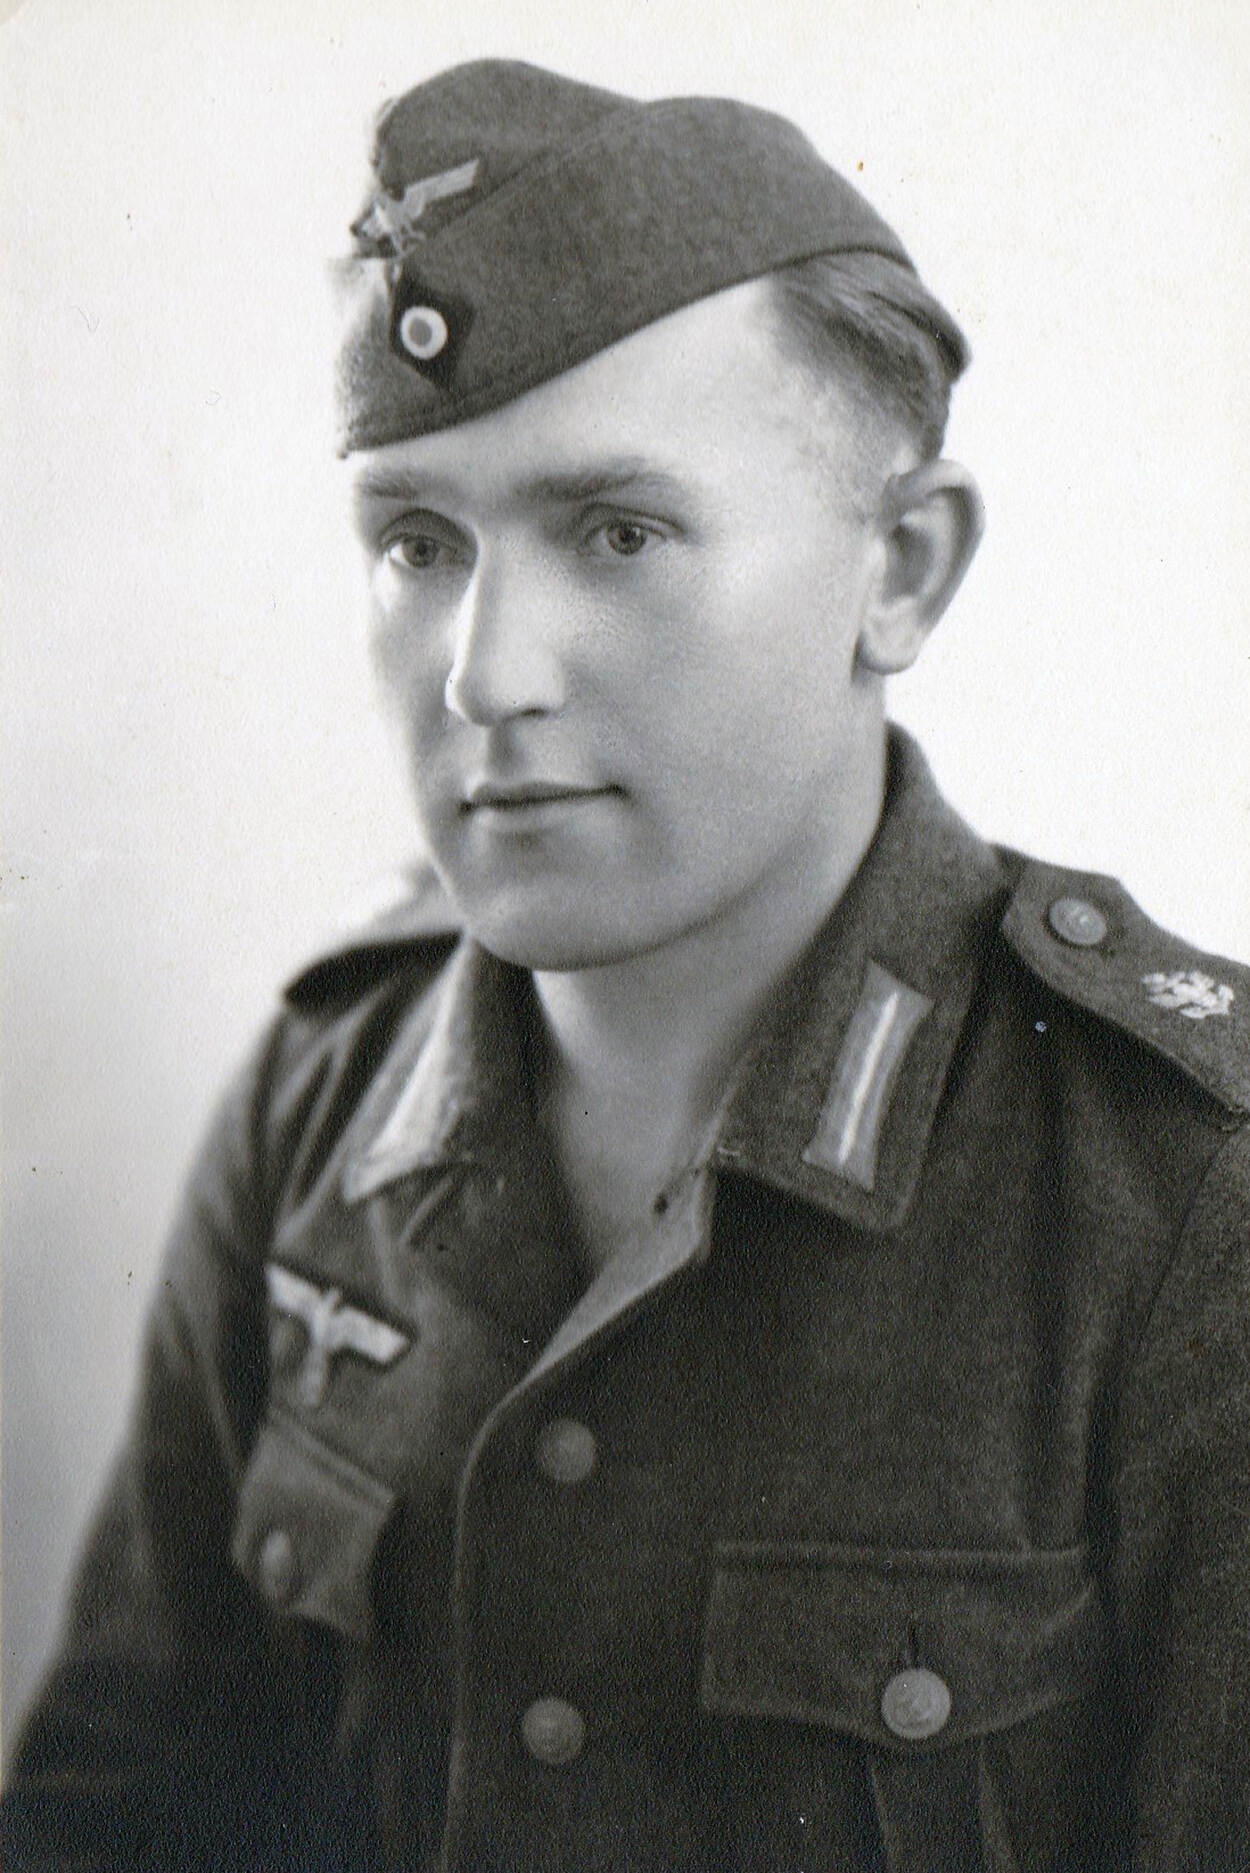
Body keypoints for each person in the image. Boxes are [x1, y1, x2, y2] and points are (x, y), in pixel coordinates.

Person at [4, 56, 1248, 1873]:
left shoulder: (1183, 1200)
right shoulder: (319, 1098)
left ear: (900, 571)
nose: (484, 675)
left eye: (617, 533)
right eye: (417, 543)